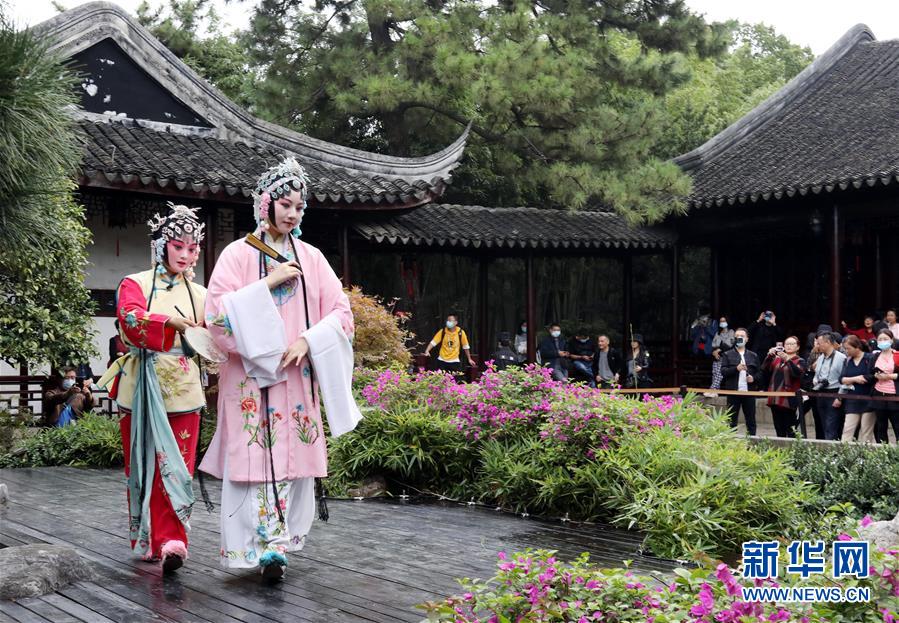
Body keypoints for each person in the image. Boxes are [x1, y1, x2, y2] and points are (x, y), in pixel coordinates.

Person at [199, 157, 362, 581]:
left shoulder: (312, 258)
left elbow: (341, 313)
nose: (292, 214)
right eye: (285, 204)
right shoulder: (237, 255)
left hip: (296, 374)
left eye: (299, 207)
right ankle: (258, 544)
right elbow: (216, 317)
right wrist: (267, 284)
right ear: (265, 204)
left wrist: (309, 340)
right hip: (250, 377)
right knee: (253, 457)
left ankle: (278, 543)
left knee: (291, 457)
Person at [97, 203, 207, 573]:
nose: (185, 254)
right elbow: (129, 318)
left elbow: (218, 330)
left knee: (178, 466)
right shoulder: (135, 283)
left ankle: (173, 540)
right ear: (161, 245)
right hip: (142, 385)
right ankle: (148, 536)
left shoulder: (201, 293)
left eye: (192, 248)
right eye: (178, 246)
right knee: (144, 463)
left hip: (184, 387)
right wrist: (169, 322)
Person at [762, 336, 806, 438]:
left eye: (792, 344)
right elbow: (764, 370)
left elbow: (797, 373)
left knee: (791, 430)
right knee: (779, 429)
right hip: (775, 398)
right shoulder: (777, 360)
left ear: (798, 347)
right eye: (787, 344)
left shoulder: (800, 361)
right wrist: (769, 356)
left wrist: (787, 359)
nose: (789, 346)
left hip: (789, 400)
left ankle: (792, 447)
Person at [835, 335, 875, 443]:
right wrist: (855, 379)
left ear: (857, 347)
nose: (846, 351)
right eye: (845, 349)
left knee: (866, 432)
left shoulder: (869, 358)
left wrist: (851, 379)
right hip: (852, 399)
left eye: (848, 348)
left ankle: (866, 453)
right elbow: (841, 379)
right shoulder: (847, 360)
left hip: (868, 399)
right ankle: (845, 452)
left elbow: (872, 377)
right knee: (847, 429)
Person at [721, 328, 761, 435]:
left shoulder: (753, 355)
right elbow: (723, 372)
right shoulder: (727, 354)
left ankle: (752, 441)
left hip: (749, 392)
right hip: (733, 392)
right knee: (731, 420)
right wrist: (736, 369)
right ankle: (730, 441)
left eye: (742, 336)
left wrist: (753, 378)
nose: (739, 338)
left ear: (747, 339)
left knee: (751, 420)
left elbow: (760, 373)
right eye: (737, 336)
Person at [812, 332, 847, 441]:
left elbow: (845, 379)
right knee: (824, 425)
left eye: (819, 343)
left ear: (828, 342)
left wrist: (840, 397)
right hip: (821, 392)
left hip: (834, 392)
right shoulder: (821, 357)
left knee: (831, 425)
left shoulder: (841, 358)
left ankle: (832, 449)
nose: (817, 345)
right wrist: (816, 381)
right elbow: (816, 375)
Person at [424, 313, 475, 377]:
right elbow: (433, 342)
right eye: (447, 320)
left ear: (456, 322)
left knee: (453, 380)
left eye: (450, 320)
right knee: (440, 380)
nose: (448, 322)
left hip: (454, 361)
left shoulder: (461, 332)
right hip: (442, 360)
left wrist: (469, 359)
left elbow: (466, 347)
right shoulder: (443, 331)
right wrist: (427, 350)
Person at [871, 329, 899, 444]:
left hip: (894, 395)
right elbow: (870, 373)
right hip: (878, 394)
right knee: (880, 426)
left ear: (891, 340)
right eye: (880, 339)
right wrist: (876, 375)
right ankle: (882, 451)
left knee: (897, 425)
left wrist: (889, 376)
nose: (883, 341)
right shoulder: (875, 356)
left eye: (885, 339)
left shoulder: (897, 355)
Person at [710, 316, 735, 391]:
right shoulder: (718, 333)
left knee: (719, 373)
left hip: (726, 357)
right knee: (715, 373)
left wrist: (718, 350)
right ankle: (715, 391)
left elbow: (729, 344)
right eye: (721, 321)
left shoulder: (731, 332)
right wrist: (714, 352)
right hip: (717, 356)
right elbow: (713, 344)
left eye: (724, 321)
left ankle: (713, 389)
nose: (722, 323)